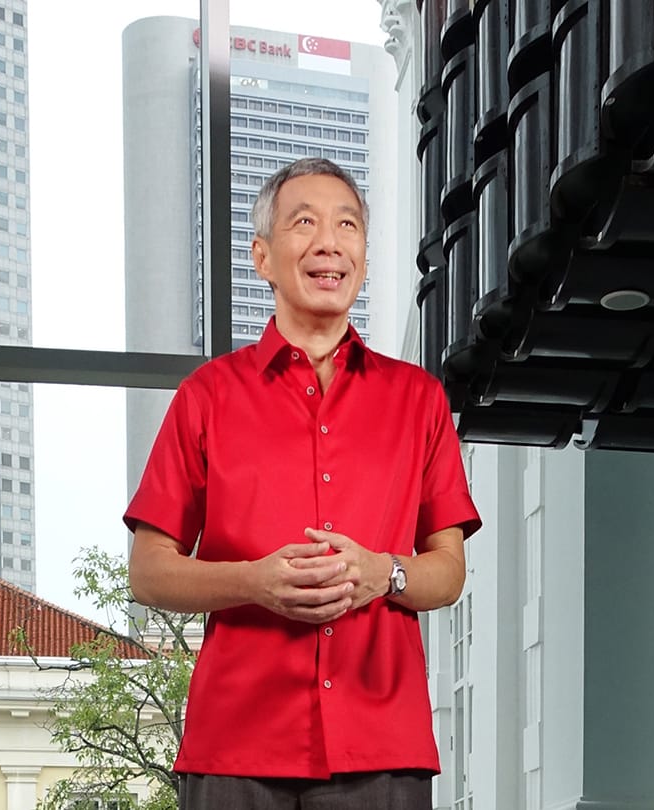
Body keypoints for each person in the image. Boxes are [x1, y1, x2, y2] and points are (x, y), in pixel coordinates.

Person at [125, 157, 482, 809]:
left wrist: (383, 573)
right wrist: (253, 582)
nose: (329, 242)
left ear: (363, 257)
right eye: (305, 223)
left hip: (382, 743)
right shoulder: (206, 397)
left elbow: (448, 571)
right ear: (262, 257)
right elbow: (148, 572)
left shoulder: (419, 400)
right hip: (236, 743)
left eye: (347, 225)